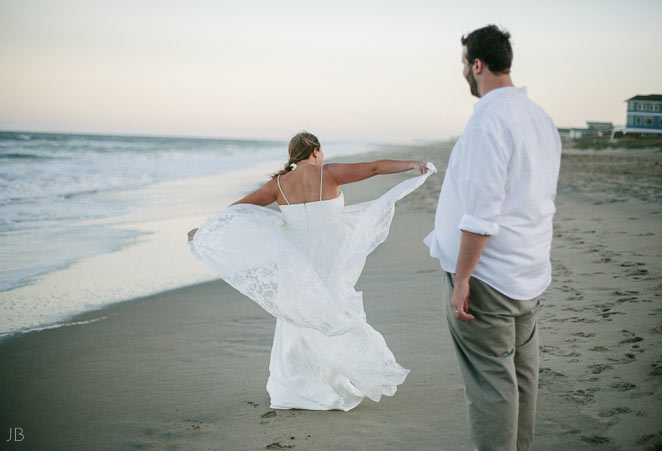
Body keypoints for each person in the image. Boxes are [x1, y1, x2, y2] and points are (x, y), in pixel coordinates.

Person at [188, 131, 434, 411]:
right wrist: (412, 164)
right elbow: (375, 167)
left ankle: (294, 389)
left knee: (298, 319)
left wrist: (205, 229)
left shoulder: (278, 184)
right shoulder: (328, 174)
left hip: (295, 262)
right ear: (315, 151)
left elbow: (238, 209)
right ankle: (327, 385)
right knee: (331, 314)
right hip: (330, 259)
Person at [424, 25, 561, 449]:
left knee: (491, 387)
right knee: (520, 378)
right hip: (528, 273)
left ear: (478, 65)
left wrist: (462, 279)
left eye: (465, 63)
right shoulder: (540, 118)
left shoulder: (488, 122)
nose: (464, 71)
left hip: (489, 279)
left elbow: (482, 215)